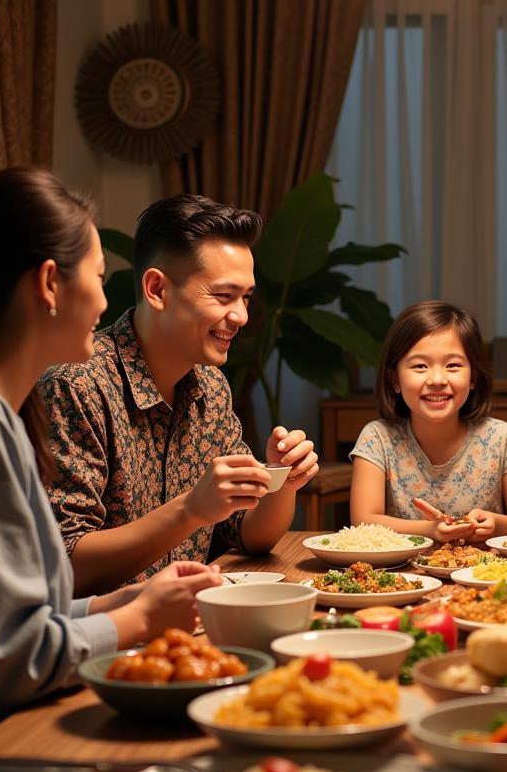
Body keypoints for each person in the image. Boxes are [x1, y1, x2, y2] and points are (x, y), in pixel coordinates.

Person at [0, 167, 224, 756]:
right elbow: (7, 658)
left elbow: (17, 609)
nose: (103, 297)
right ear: (50, 283)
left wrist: (111, 604)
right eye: (98, 277)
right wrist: (138, 620)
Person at [40, 194, 319, 595]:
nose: (241, 316)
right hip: (103, 638)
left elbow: (246, 534)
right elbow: (63, 562)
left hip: (192, 622)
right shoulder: (78, 384)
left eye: (246, 298)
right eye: (224, 296)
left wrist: (283, 483)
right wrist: (191, 509)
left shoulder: (210, 385)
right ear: (157, 289)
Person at [350, 300, 507, 542]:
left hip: (484, 572)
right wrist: (432, 531)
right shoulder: (377, 438)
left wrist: (496, 524)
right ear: (394, 380)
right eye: (420, 366)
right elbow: (364, 520)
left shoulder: (501, 437)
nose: (438, 379)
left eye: (453, 365)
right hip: (402, 572)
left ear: (474, 376)